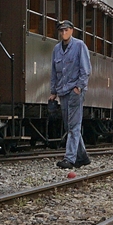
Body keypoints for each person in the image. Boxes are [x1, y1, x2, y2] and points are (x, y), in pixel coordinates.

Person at [49, 19, 91, 169]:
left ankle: (70, 158)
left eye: (66, 30)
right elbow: (54, 72)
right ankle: (83, 157)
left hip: (75, 91)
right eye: (61, 30)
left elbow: (85, 70)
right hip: (63, 92)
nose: (63, 33)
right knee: (69, 126)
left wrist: (79, 87)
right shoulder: (56, 50)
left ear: (72, 30)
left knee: (73, 126)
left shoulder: (80, 46)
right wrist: (53, 92)